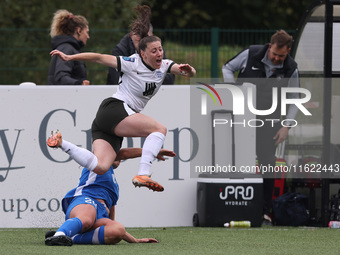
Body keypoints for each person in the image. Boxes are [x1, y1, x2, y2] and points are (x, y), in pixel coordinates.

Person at [48, 35, 196, 193]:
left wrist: (190, 71)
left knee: (101, 166)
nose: (159, 53)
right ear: (143, 54)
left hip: (105, 121)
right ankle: (143, 174)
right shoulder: (132, 63)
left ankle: (61, 143)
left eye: (160, 49)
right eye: (154, 51)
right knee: (159, 129)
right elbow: (99, 58)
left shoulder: (164, 65)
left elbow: (186, 73)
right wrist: (69, 57)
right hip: (114, 108)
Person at [222, 29, 299, 226]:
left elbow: (294, 99)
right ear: (269, 46)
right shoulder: (251, 53)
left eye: (281, 56)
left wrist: (286, 127)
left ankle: (265, 212)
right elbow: (227, 67)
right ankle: (235, 208)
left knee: (267, 164)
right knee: (237, 160)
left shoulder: (291, 68)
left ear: (288, 51)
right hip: (242, 117)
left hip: (270, 121)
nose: (276, 58)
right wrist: (234, 92)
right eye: (274, 54)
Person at [45, 147, 176, 246]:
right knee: (87, 218)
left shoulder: (115, 186)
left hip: (100, 215)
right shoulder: (97, 163)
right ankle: (60, 234)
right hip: (84, 201)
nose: (118, 158)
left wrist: (135, 241)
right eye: (115, 155)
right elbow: (123, 153)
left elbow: (110, 219)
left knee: (118, 230)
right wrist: (151, 151)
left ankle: (72, 236)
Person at [106, 5, 175, 85]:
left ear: (152, 36)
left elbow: (169, 79)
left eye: (146, 40)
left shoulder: (157, 51)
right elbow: (117, 79)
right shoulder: (120, 50)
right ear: (131, 35)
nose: (143, 45)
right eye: (139, 40)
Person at [48, 9, 90, 85]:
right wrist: (79, 84)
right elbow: (61, 77)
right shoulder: (66, 49)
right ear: (79, 30)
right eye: (87, 32)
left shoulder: (69, 48)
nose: (88, 37)